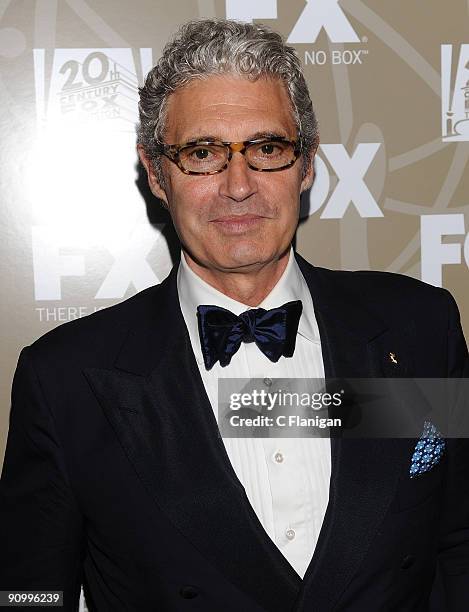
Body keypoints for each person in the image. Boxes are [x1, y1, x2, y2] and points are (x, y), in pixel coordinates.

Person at [1, 18, 468, 612]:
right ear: (157, 174)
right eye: (203, 153)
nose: (239, 185)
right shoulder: (65, 378)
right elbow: (29, 593)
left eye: (266, 148)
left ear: (306, 165)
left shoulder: (420, 329)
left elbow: (458, 543)